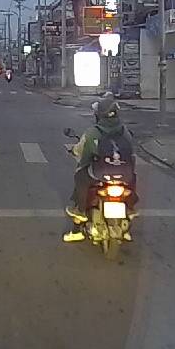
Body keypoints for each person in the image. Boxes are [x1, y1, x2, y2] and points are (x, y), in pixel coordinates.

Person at [63, 94, 137, 242]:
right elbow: (131, 154)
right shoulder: (125, 132)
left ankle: (79, 216)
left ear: (98, 115)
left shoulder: (93, 133)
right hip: (124, 175)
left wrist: (76, 155)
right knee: (132, 178)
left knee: (80, 177)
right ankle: (129, 210)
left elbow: (82, 154)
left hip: (100, 173)